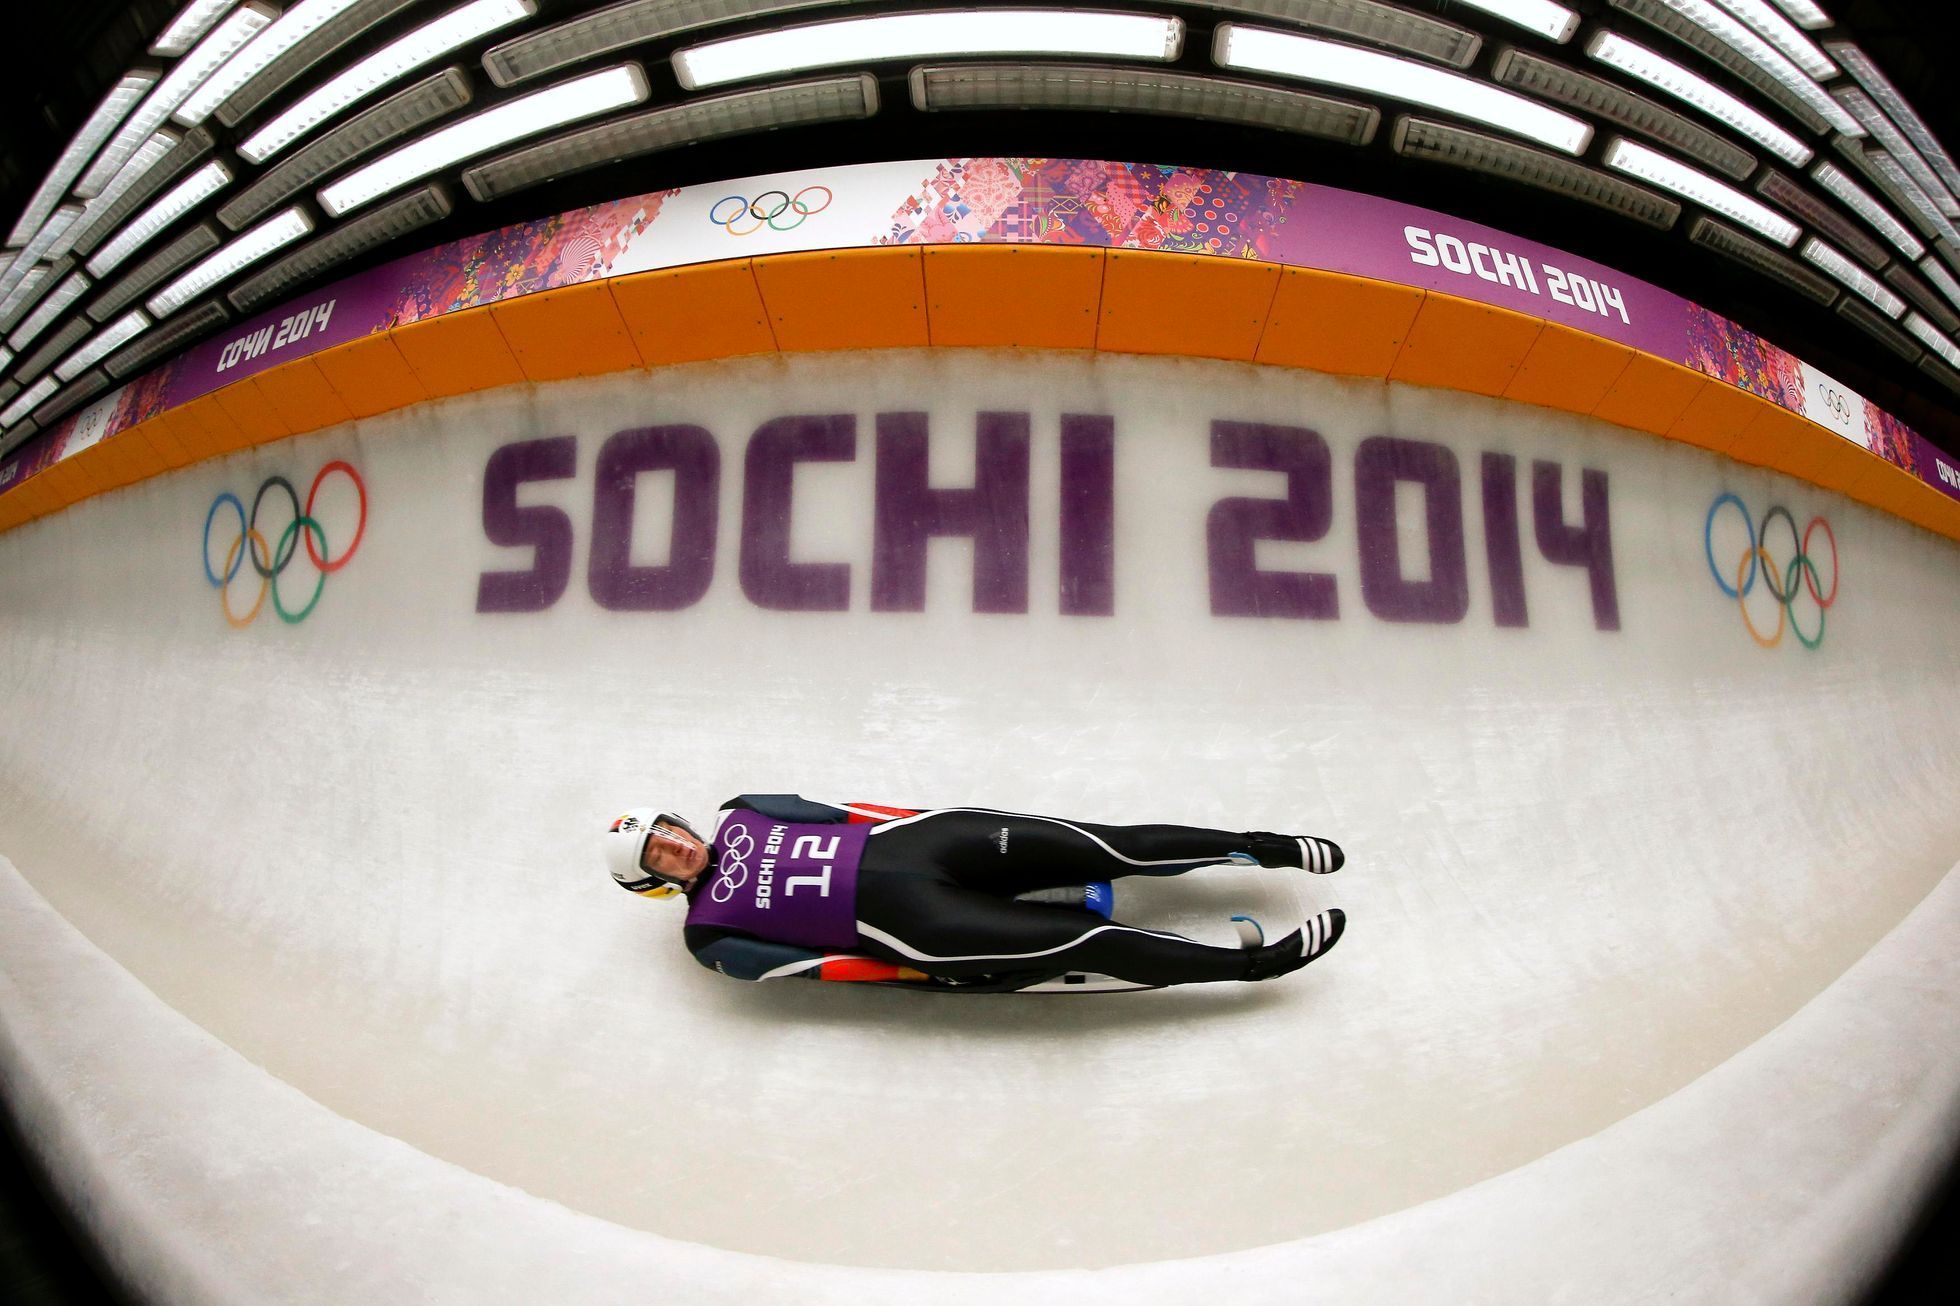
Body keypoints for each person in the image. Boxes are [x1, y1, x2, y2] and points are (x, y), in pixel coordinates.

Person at [602, 795, 1345, 992]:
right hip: (918, 924)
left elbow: (855, 811)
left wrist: (941, 817)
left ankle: (1263, 848)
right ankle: (1254, 964)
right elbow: (822, 970)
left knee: (1107, 844)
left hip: (932, 841)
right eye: (658, 853)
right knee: (1089, 944)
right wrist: (920, 973)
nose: (673, 842)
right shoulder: (709, 937)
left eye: (666, 828)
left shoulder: (745, 809)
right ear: (655, 883)